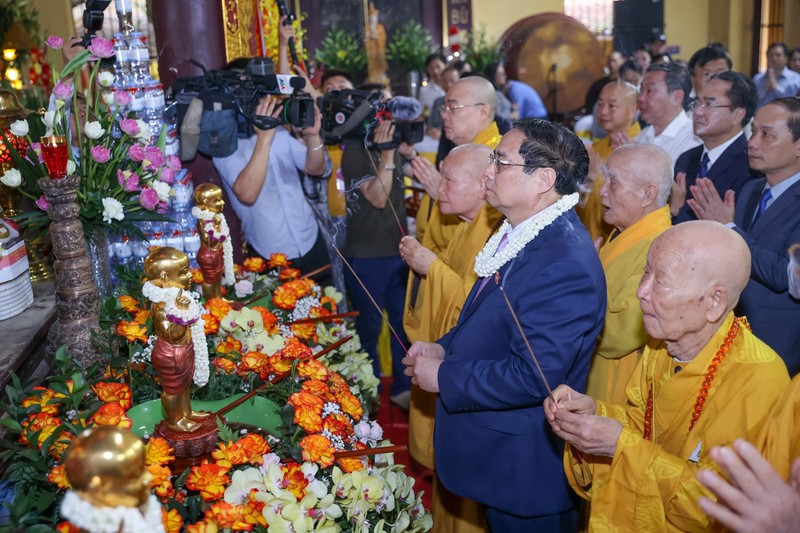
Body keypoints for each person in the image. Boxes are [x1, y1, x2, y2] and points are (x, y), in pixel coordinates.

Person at [403, 118, 606, 531]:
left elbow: (534, 377)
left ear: (543, 179)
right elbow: (484, 312)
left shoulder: (563, 263)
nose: (487, 173)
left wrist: (445, 375)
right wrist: (443, 346)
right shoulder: (525, 230)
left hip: (525, 472)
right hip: (499, 458)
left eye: (499, 162)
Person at [544, 221, 790, 531]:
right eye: (646, 273)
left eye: (662, 281)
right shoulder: (661, 345)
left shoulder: (759, 380)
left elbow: (720, 504)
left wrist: (620, 447)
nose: (641, 292)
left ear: (715, 301)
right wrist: (592, 414)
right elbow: (643, 423)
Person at [400, 144, 500, 533]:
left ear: (483, 186)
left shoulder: (493, 235)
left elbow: (481, 309)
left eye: (449, 180)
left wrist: (433, 268)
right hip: (443, 359)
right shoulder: (465, 226)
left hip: (468, 374)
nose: (438, 188)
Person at [687, 97, 800, 374]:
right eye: (753, 132)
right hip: (730, 338)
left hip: (777, 348)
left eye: (767, 135)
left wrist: (728, 229)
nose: (752, 143)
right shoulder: (751, 190)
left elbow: (784, 276)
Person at [585, 144, 672, 404]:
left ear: (647, 194)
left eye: (612, 182)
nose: (601, 192)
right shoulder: (623, 233)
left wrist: (581, 281)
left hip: (617, 397)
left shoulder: (660, 249)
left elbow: (619, 334)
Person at [212, 94, 332, 282]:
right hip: (268, 252)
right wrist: (264, 138)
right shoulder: (225, 146)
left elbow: (315, 168)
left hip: (310, 240)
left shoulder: (281, 134)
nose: (264, 106)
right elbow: (247, 194)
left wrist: (313, 136)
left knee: (328, 308)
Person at [341, 115, 415, 404]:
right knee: (369, 328)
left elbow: (421, 175)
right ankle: (367, 391)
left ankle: (402, 388)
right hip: (366, 257)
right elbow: (378, 196)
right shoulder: (354, 154)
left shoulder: (393, 149)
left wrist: (407, 152)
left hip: (398, 252)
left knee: (403, 324)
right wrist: (387, 155)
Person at [671, 71, 758, 223]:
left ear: (738, 115)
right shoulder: (686, 158)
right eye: (697, 103)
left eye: (709, 104)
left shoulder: (751, 166)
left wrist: (678, 209)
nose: (697, 112)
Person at [144, 247, 210, 433]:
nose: (190, 275)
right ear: (165, 278)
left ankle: (186, 412)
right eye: (183, 272)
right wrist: (181, 313)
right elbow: (171, 334)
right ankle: (175, 421)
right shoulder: (161, 305)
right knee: (173, 389)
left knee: (184, 384)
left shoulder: (177, 296)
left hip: (184, 350)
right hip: (171, 354)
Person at [577, 81, 641, 243]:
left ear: (633, 110)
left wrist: (595, 176)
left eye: (612, 106)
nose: (603, 111)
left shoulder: (641, 149)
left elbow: (629, 206)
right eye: (600, 104)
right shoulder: (596, 148)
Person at [633, 63, 701, 163]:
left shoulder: (694, 140)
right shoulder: (643, 135)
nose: (640, 98)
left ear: (677, 97)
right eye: (641, 90)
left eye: (650, 91)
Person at [193, 183, 229, 299]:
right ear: (205, 203)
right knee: (210, 280)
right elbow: (209, 241)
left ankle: (219, 300)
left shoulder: (215, 218)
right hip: (208, 255)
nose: (222, 203)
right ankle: (210, 303)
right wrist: (217, 226)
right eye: (217, 200)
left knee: (217, 278)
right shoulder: (202, 221)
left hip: (217, 252)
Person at [754, 42, 800, 107]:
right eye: (771, 55)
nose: (774, 58)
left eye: (778, 55)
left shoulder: (796, 78)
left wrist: (774, 86)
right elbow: (753, 101)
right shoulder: (758, 78)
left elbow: (791, 103)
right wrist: (764, 89)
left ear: (786, 58)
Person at [364, 2, 389, 86]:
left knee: (381, 63)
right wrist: (366, 37)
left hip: (379, 50)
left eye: (374, 17)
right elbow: (365, 41)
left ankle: (381, 76)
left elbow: (382, 38)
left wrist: (374, 36)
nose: (373, 19)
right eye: (371, 18)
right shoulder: (367, 28)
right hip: (371, 53)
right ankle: (372, 77)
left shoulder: (380, 27)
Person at [418, 53, 447, 118]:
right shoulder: (424, 91)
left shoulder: (454, 87)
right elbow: (423, 113)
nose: (435, 71)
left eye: (438, 67)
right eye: (431, 68)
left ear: (446, 66)